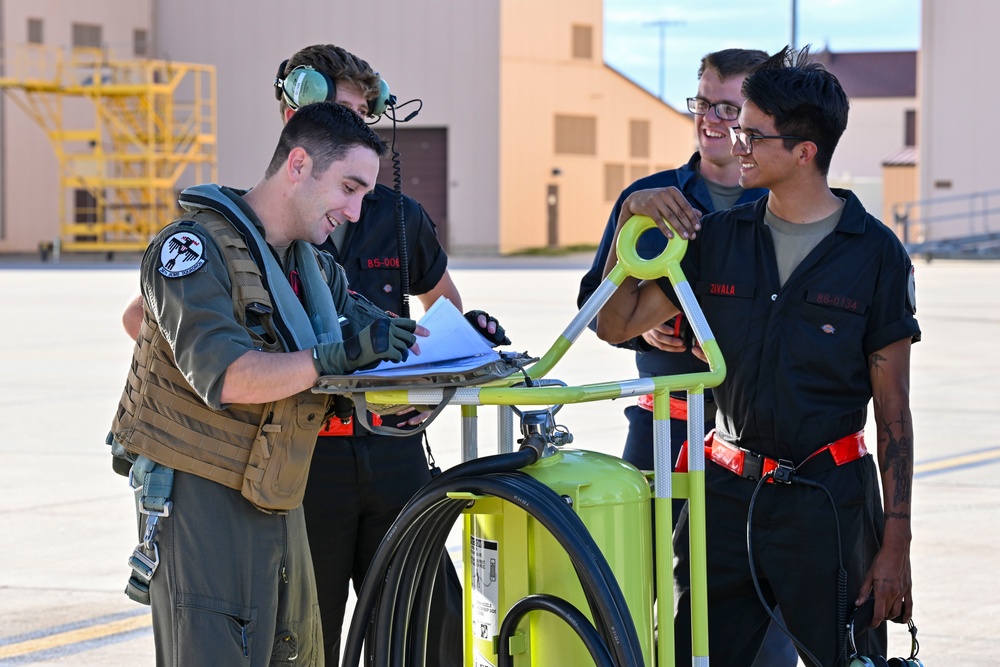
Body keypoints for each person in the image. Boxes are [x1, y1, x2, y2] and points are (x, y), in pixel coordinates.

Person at [595, 46, 918, 667]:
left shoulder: (874, 255)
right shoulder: (717, 240)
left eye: (751, 133)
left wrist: (895, 542)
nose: (734, 143)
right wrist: (630, 219)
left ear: (805, 151)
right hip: (725, 499)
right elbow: (615, 323)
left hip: (828, 503)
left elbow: (894, 414)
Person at [109, 101, 425, 665]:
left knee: (293, 652)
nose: (355, 212)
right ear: (298, 164)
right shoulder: (192, 250)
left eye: (364, 196)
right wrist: (335, 358)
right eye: (348, 188)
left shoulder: (311, 267)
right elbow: (227, 374)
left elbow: (379, 336)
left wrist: (458, 343)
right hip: (200, 497)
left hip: (274, 490)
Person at [578, 48, 796, 666]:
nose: (711, 118)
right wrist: (644, 324)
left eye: (730, 107)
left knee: (759, 625)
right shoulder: (652, 197)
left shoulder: (782, 204)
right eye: (703, 102)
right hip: (663, 430)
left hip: (755, 444)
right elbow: (601, 316)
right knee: (630, 600)